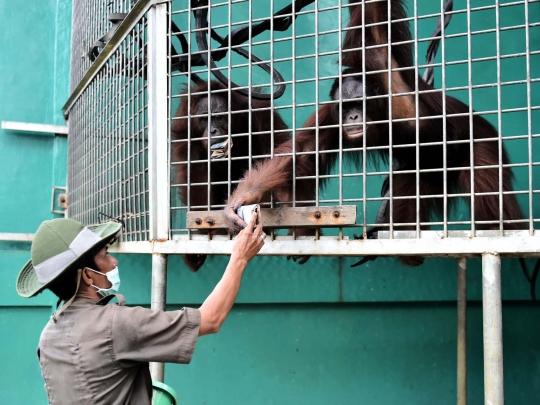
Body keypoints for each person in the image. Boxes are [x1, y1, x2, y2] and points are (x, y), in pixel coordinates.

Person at [16, 214, 266, 404]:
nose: (114, 261)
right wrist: (240, 258)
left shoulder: (48, 336)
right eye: (105, 255)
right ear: (88, 277)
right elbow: (211, 319)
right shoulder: (116, 324)